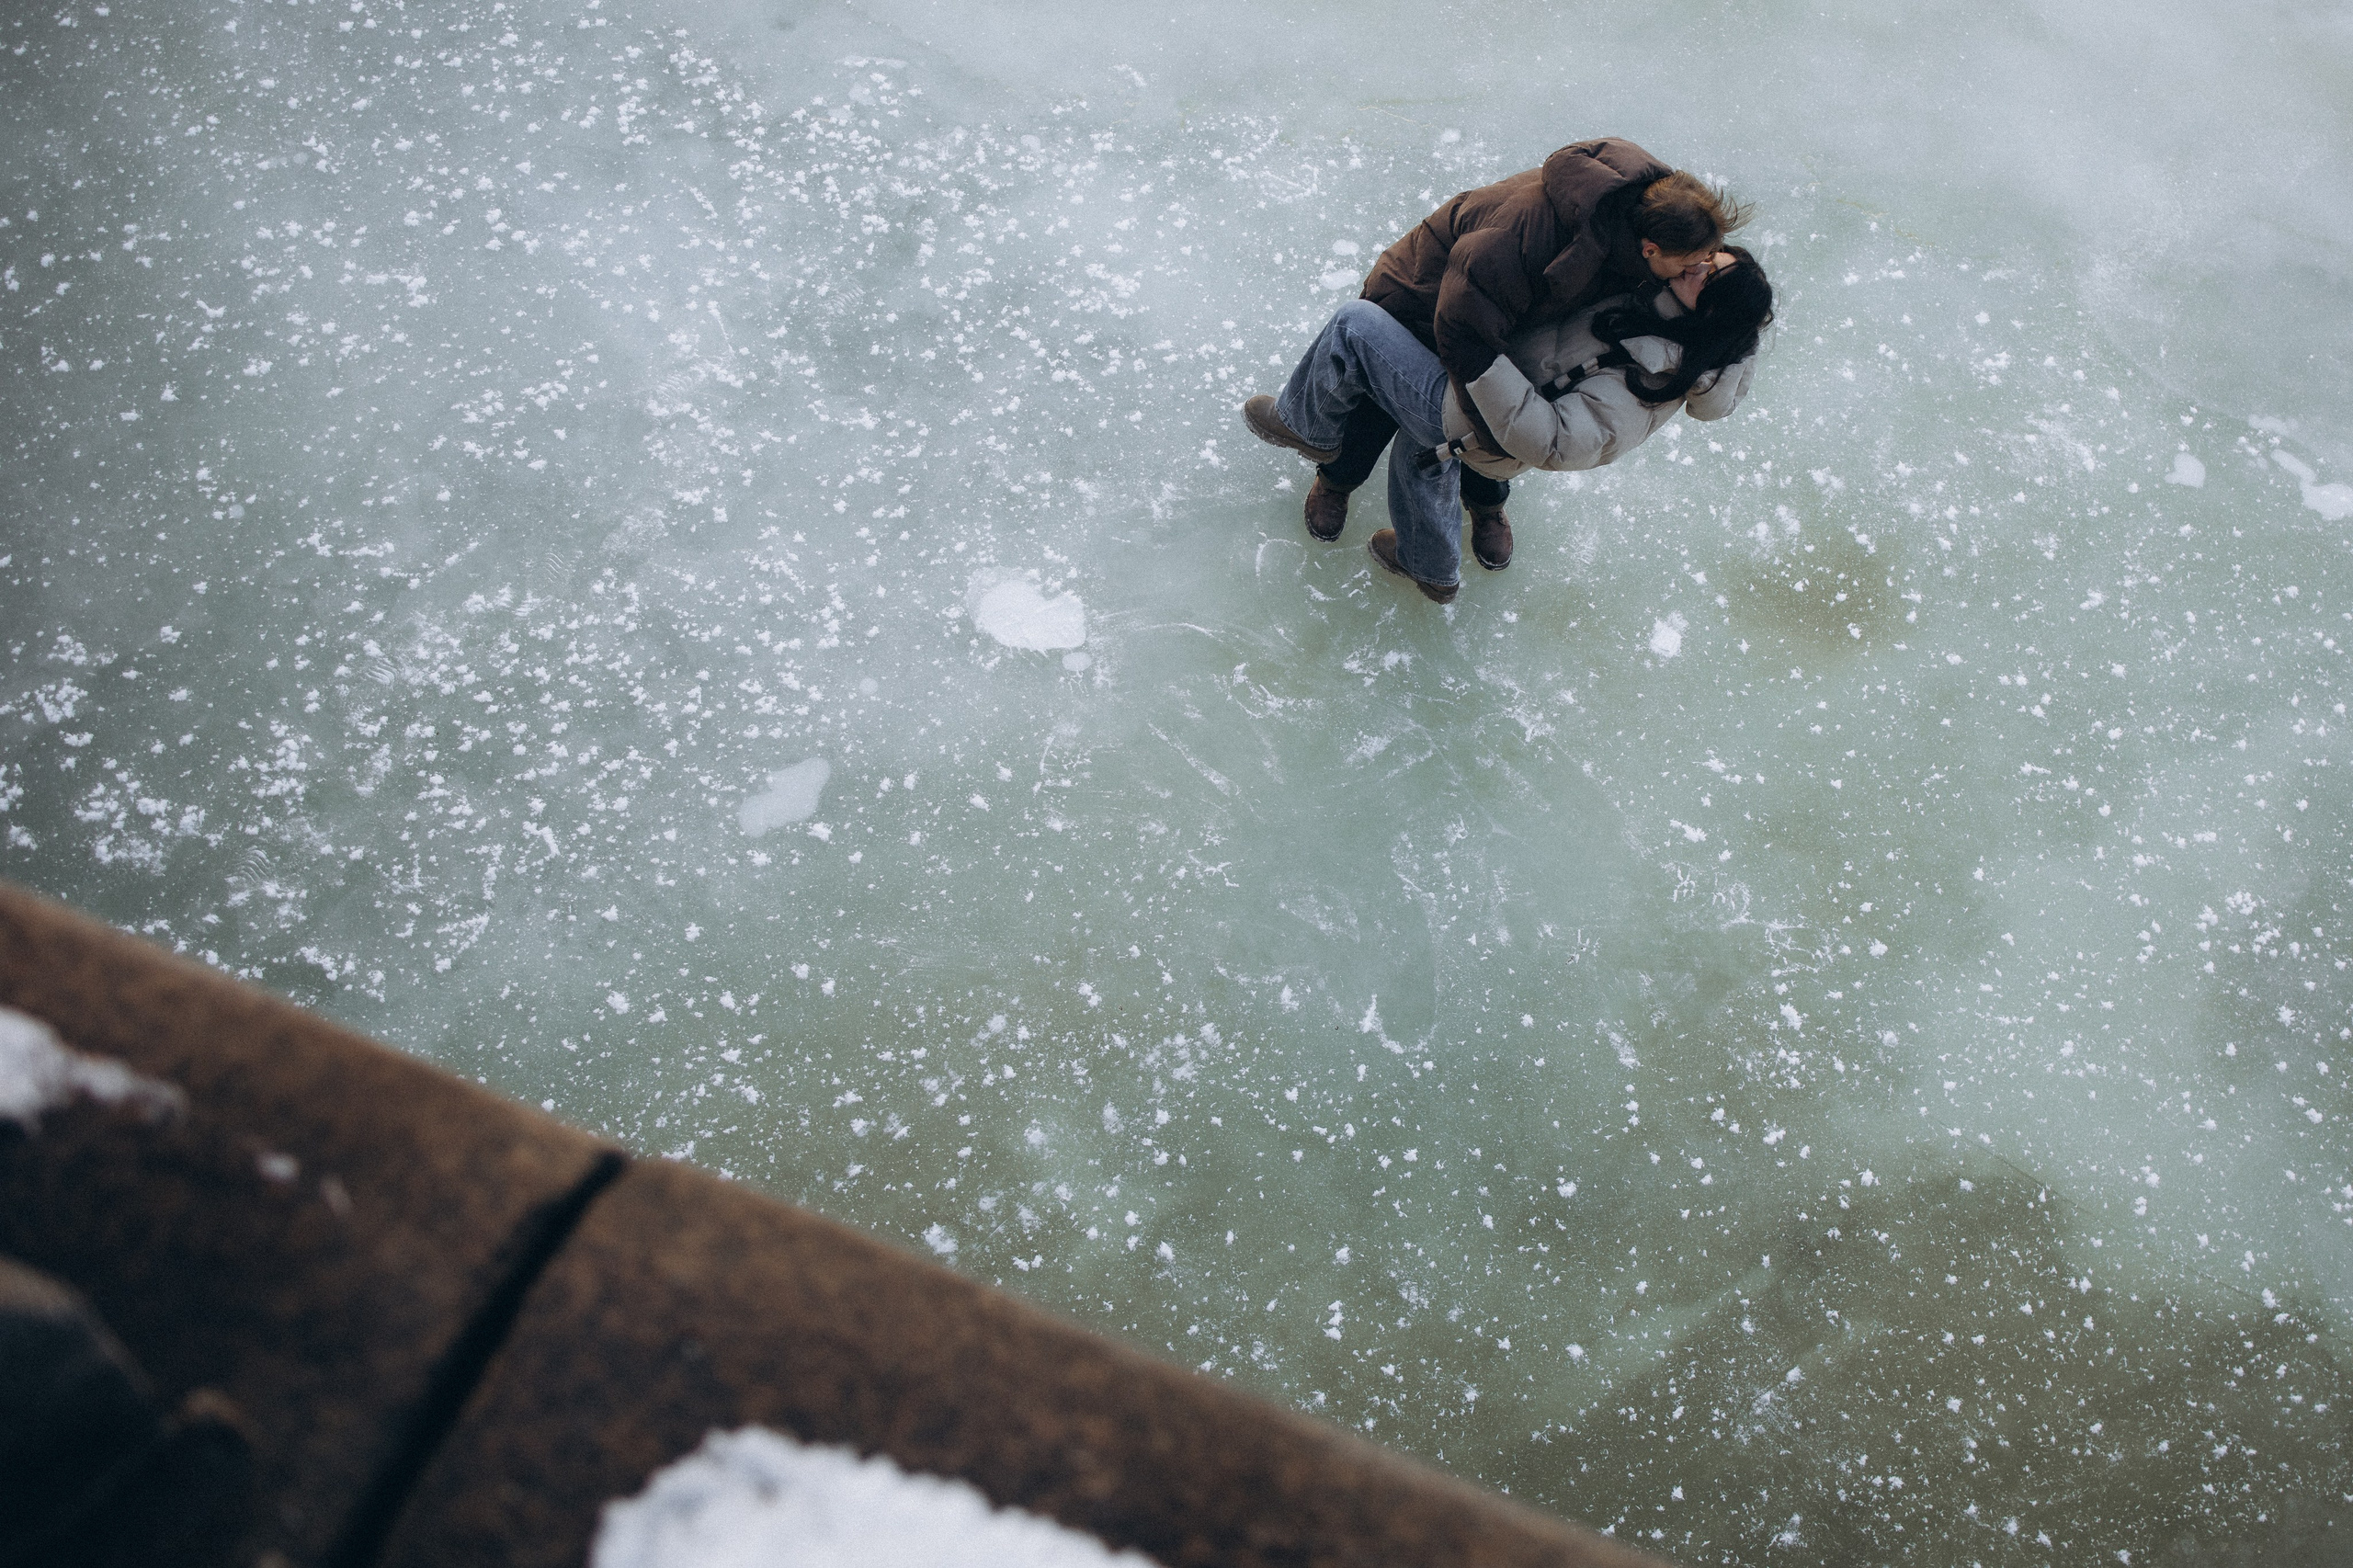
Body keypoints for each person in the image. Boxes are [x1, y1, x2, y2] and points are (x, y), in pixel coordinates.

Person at [1247, 138, 1747, 572]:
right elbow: (1463, 324)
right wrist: (1477, 425)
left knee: (1482, 429)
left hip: (1507, 331)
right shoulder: (1533, 232)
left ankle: (1483, 510)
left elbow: (1735, 292)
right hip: (1429, 304)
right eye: (1694, 263)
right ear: (1650, 250)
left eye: (1708, 262)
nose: (1701, 269)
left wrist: (1739, 327)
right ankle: (1335, 476)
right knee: (1405, 413)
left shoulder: (1658, 235)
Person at [1242, 247, 1772, 602]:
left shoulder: (1654, 377)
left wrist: (1480, 367)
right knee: (1418, 448)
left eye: (1709, 275)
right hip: (1487, 400)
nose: (1696, 266)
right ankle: (1430, 566)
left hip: (1479, 411)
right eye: (1706, 258)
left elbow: (1561, 443)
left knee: (1356, 328)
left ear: (1713, 314)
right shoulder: (1659, 301)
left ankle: (1306, 427)